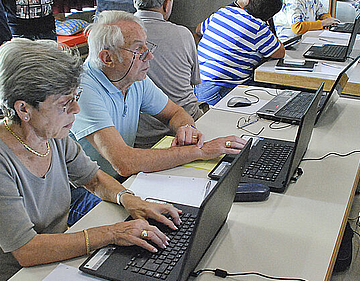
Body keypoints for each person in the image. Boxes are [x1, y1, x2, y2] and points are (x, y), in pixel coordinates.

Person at [0, 38, 181, 281]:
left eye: (75, 98)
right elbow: (28, 251)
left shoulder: (51, 134)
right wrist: (113, 233)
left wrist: (133, 202)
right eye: (65, 103)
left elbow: (93, 178)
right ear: (23, 109)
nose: (76, 109)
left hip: (52, 274)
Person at [70, 10, 245, 183]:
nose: (150, 55)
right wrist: (201, 151)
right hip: (88, 190)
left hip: (120, 180)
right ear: (108, 58)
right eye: (138, 49)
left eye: (147, 46)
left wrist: (186, 127)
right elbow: (124, 162)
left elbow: (175, 113)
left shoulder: (133, 78)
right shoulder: (83, 90)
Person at [133, 0, 203, 148]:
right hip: (186, 132)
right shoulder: (183, 34)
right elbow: (193, 83)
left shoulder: (118, 36)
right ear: (167, 3)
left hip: (139, 137)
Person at [196, 0, 285, 105]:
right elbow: (280, 52)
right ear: (270, 16)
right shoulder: (258, 28)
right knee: (273, 98)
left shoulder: (225, 11)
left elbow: (198, 29)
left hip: (199, 85)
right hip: (221, 90)